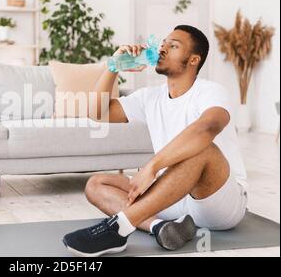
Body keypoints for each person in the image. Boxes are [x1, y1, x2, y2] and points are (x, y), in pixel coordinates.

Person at [62, 25, 248, 257]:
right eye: (163, 43)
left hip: (216, 201)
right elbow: (99, 112)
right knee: (96, 184)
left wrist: (152, 166)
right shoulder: (150, 96)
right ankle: (160, 227)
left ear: (193, 60)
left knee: (203, 150)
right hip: (172, 195)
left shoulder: (210, 91)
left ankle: (119, 228)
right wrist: (113, 67)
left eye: (173, 45)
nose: (162, 48)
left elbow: (207, 128)